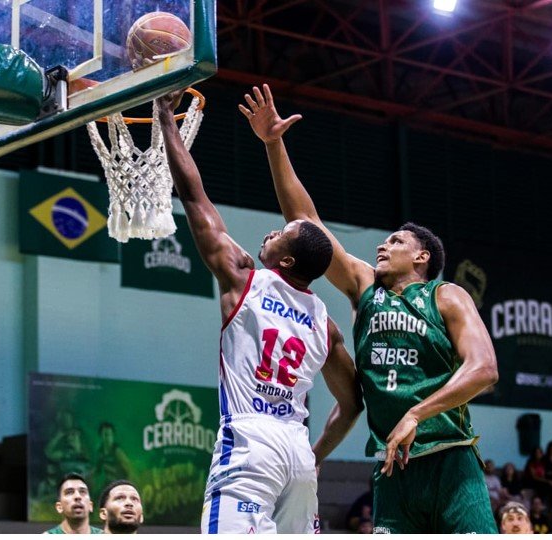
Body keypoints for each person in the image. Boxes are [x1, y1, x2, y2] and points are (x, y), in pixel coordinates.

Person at [240, 83, 499, 533]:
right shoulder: (365, 288)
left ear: (422, 258)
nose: (384, 244)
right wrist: (273, 144)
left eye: (397, 241)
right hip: (392, 468)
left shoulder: (446, 296)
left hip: (450, 458)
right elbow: (307, 226)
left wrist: (416, 413)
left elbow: (484, 370)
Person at [156, 91, 364, 534]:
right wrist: (316, 453)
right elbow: (352, 404)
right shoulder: (324, 324)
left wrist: (166, 120)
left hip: (251, 441)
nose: (272, 231)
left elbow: (195, 199)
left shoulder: (244, 278)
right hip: (297, 451)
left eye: (281, 234)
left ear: (286, 261)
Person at [91, 423, 133, 495]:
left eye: (109, 435)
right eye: (105, 435)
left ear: (113, 436)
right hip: (108, 484)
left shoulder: (117, 452)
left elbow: (129, 470)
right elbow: (97, 470)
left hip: (120, 484)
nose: (107, 438)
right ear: (101, 436)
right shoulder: (100, 452)